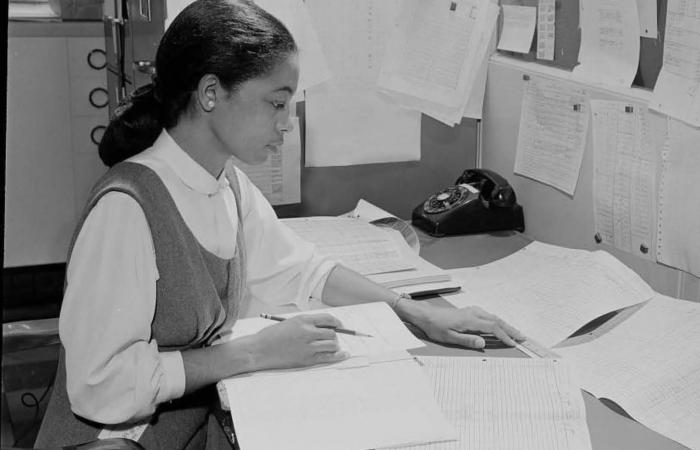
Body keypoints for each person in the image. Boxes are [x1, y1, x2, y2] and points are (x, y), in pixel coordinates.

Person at [36, 0, 523, 447]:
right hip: (112, 439)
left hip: (183, 430)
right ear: (210, 93)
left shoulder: (225, 183)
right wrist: (253, 353)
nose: (288, 122)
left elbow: (302, 270)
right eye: (276, 102)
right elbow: (101, 389)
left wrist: (415, 312)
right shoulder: (126, 210)